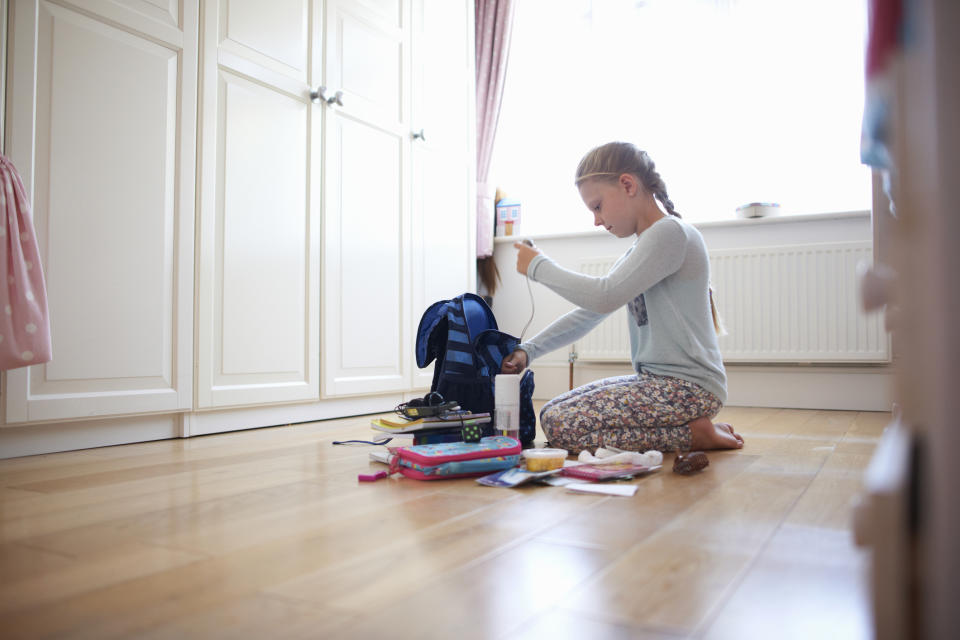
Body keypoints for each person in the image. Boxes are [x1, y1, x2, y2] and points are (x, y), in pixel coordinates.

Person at [501, 142, 743, 454]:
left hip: (688, 389)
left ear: (627, 184)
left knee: (561, 426)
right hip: (659, 384)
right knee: (551, 413)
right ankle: (689, 429)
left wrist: (538, 267)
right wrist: (528, 351)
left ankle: (691, 436)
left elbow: (604, 295)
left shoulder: (670, 233)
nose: (597, 220)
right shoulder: (644, 247)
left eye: (597, 206)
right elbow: (591, 311)